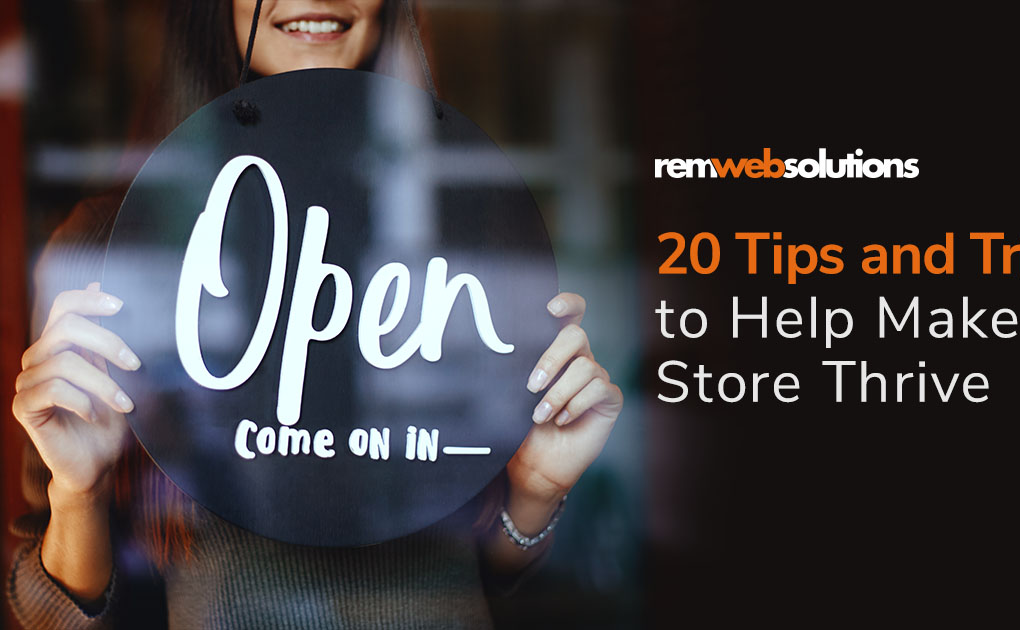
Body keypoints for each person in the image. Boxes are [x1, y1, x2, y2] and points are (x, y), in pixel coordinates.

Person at [6, 1, 623, 628]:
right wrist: (79, 495)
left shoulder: (470, 229)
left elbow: (485, 579)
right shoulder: (111, 251)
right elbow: (46, 614)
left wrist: (536, 490)